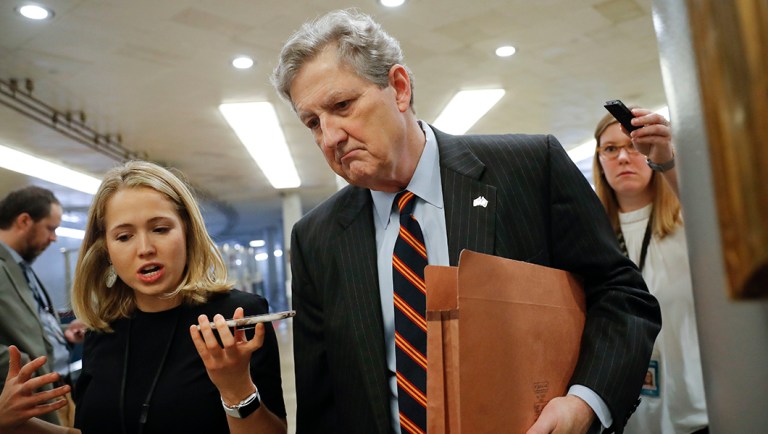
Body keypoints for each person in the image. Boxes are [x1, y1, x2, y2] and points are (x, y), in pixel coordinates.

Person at [271, 9, 661, 434]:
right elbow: (321, 402)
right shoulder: (317, 239)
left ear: (399, 88)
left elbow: (621, 296)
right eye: (313, 122)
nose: (330, 137)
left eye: (342, 106)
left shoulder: (528, 170)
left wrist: (584, 403)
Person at [1, 161, 287, 434]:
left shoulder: (236, 317)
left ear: (187, 231)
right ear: (106, 250)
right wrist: (8, 422)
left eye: (160, 229)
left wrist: (237, 391)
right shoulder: (104, 329)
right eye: (124, 236)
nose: (145, 248)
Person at [593, 108, 708, 433]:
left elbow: (718, 217)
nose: (624, 158)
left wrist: (668, 160)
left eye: (633, 145)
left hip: (695, 415)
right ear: (599, 160)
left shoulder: (688, 224)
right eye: (611, 149)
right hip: (628, 421)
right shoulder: (590, 240)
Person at [0, 186, 86, 426]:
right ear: (24, 221)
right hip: (26, 401)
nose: (54, 238)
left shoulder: (21, 266)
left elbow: (28, 322)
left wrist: (63, 334)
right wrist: (24, 364)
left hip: (57, 389)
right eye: (50, 228)